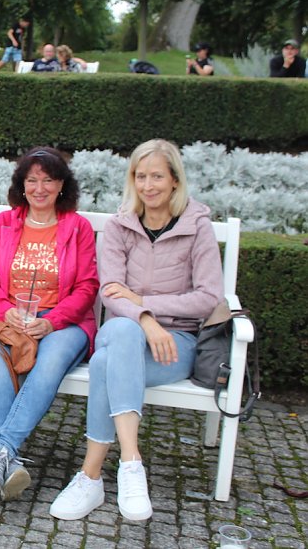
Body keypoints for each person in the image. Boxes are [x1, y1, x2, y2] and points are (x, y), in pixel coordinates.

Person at [49, 139, 224, 522]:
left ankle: (90, 477)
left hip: (173, 344)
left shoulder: (197, 227)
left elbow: (208, 297)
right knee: (125, 333)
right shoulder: (120, 225)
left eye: (157, 176)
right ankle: (131, 462)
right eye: (140, 176)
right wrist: (144, 319)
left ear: (175, 180)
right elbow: (111, 292)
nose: (148, 185)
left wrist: (144, 304)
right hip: (123, 330)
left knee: (104, 365)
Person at [0, 147, 98, 502]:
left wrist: (52, 321)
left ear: (62, 185)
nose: (40, 188)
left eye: (48, 180)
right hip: (5, 318)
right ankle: (4, 460)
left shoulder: (78, 227)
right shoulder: (5, 223)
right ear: (21, 185)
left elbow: (87, 286)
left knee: (49, 363)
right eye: (32, 181)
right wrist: (4, 309)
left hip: (63, 322)